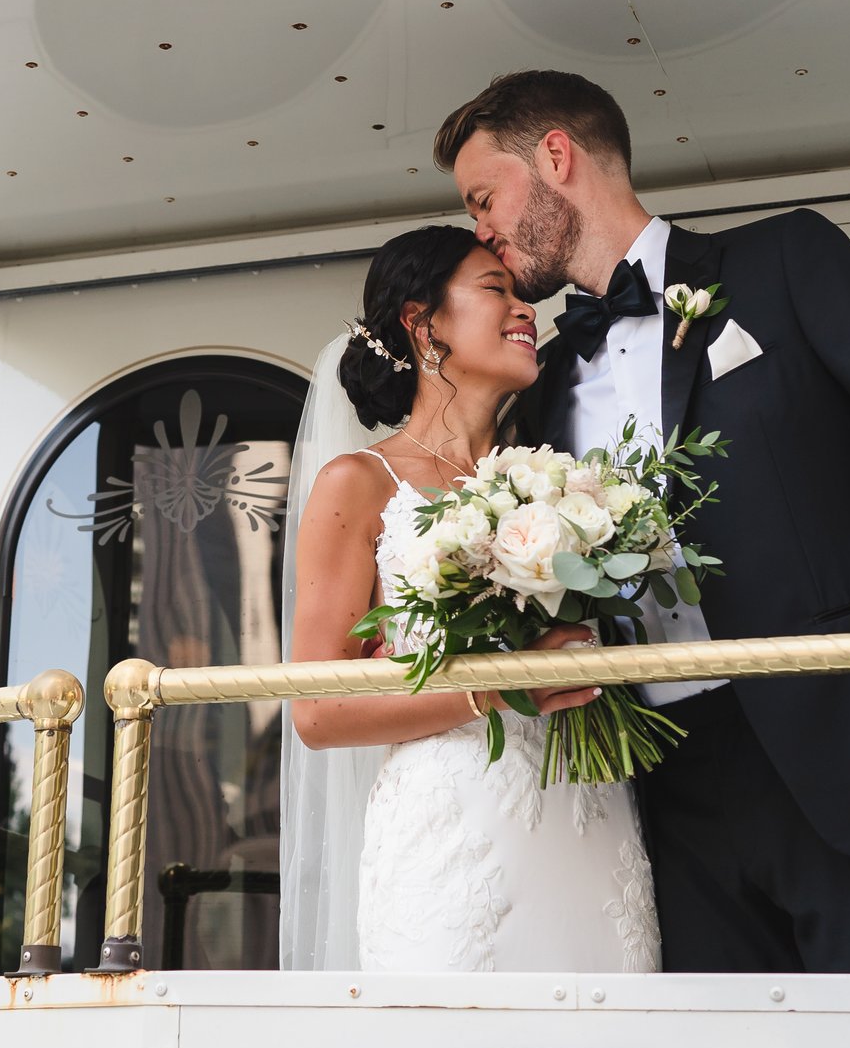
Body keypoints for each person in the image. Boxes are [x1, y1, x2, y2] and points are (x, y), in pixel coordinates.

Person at [436, 69, 850, 975]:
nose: (481, 227)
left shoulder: (782, 262)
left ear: (558, 159)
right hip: (657, 790)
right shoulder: (547, 371)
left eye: (484, 197)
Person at [279, 224, 661, 974]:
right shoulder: (357, 484)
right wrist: (502, 685)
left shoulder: (558, 475)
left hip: (588, 818)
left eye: (524, 295)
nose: (527, 310)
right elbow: (317, 711)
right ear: (424, 325)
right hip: (453, 837)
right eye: (498, 289)